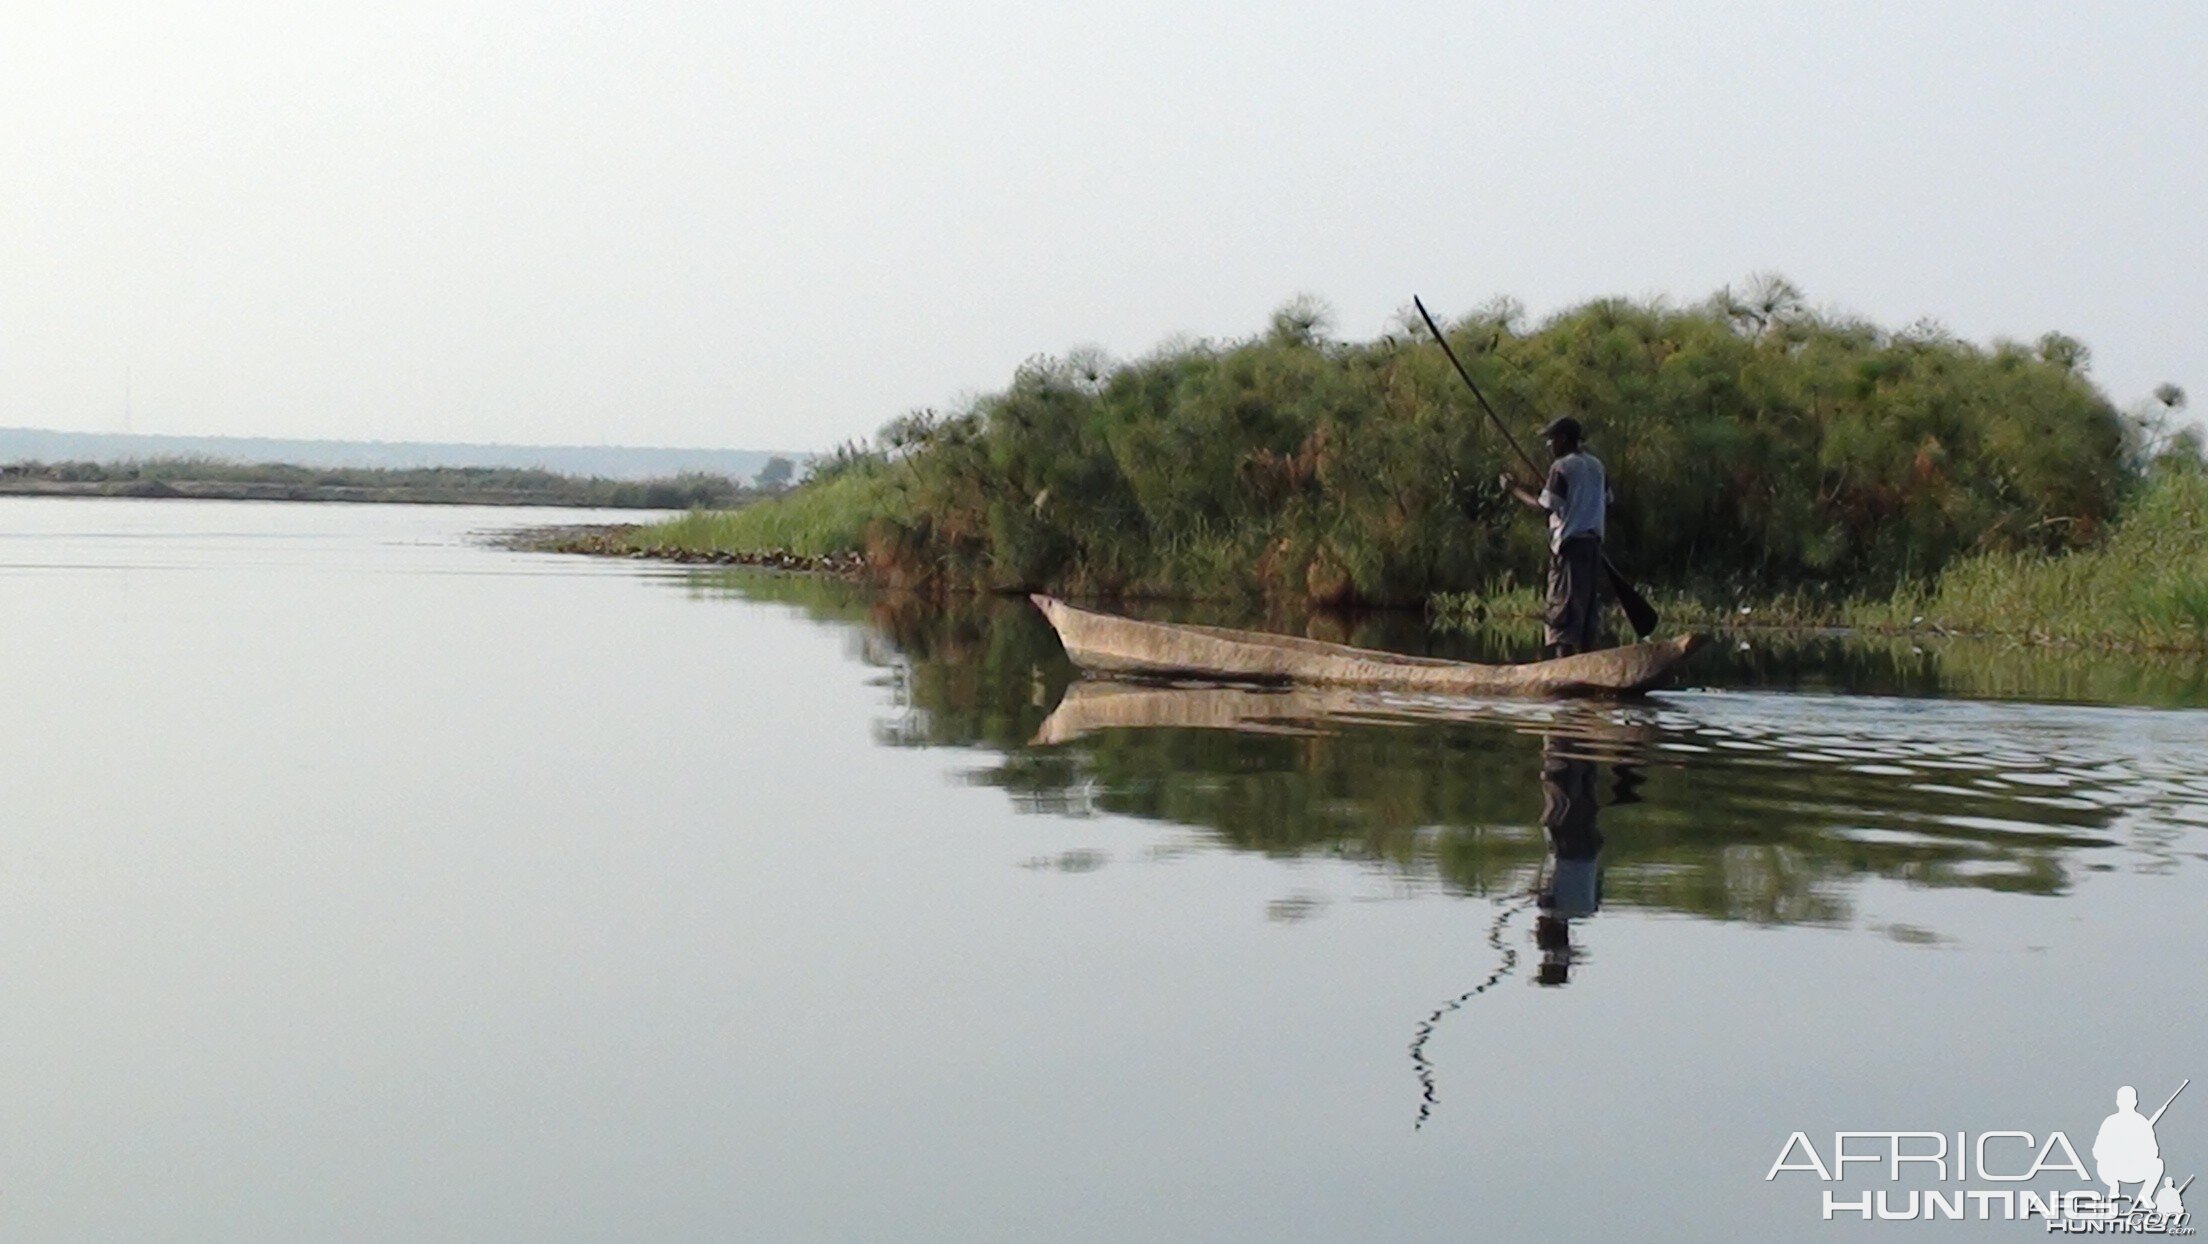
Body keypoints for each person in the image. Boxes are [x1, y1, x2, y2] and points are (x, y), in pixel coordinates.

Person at [1505, 416, 1611, 658]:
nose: (1551, 447)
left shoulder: (1561, 467)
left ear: (1562, 440)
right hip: (1593, 549)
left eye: (1551, 441)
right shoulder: (1597, 466)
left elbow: (1545, 506)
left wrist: (1514, 489)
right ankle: (1585, 668)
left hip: (1570, 551)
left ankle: (1564, 673)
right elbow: (1607, 501)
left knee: (1561, 617)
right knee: (1584, 618)